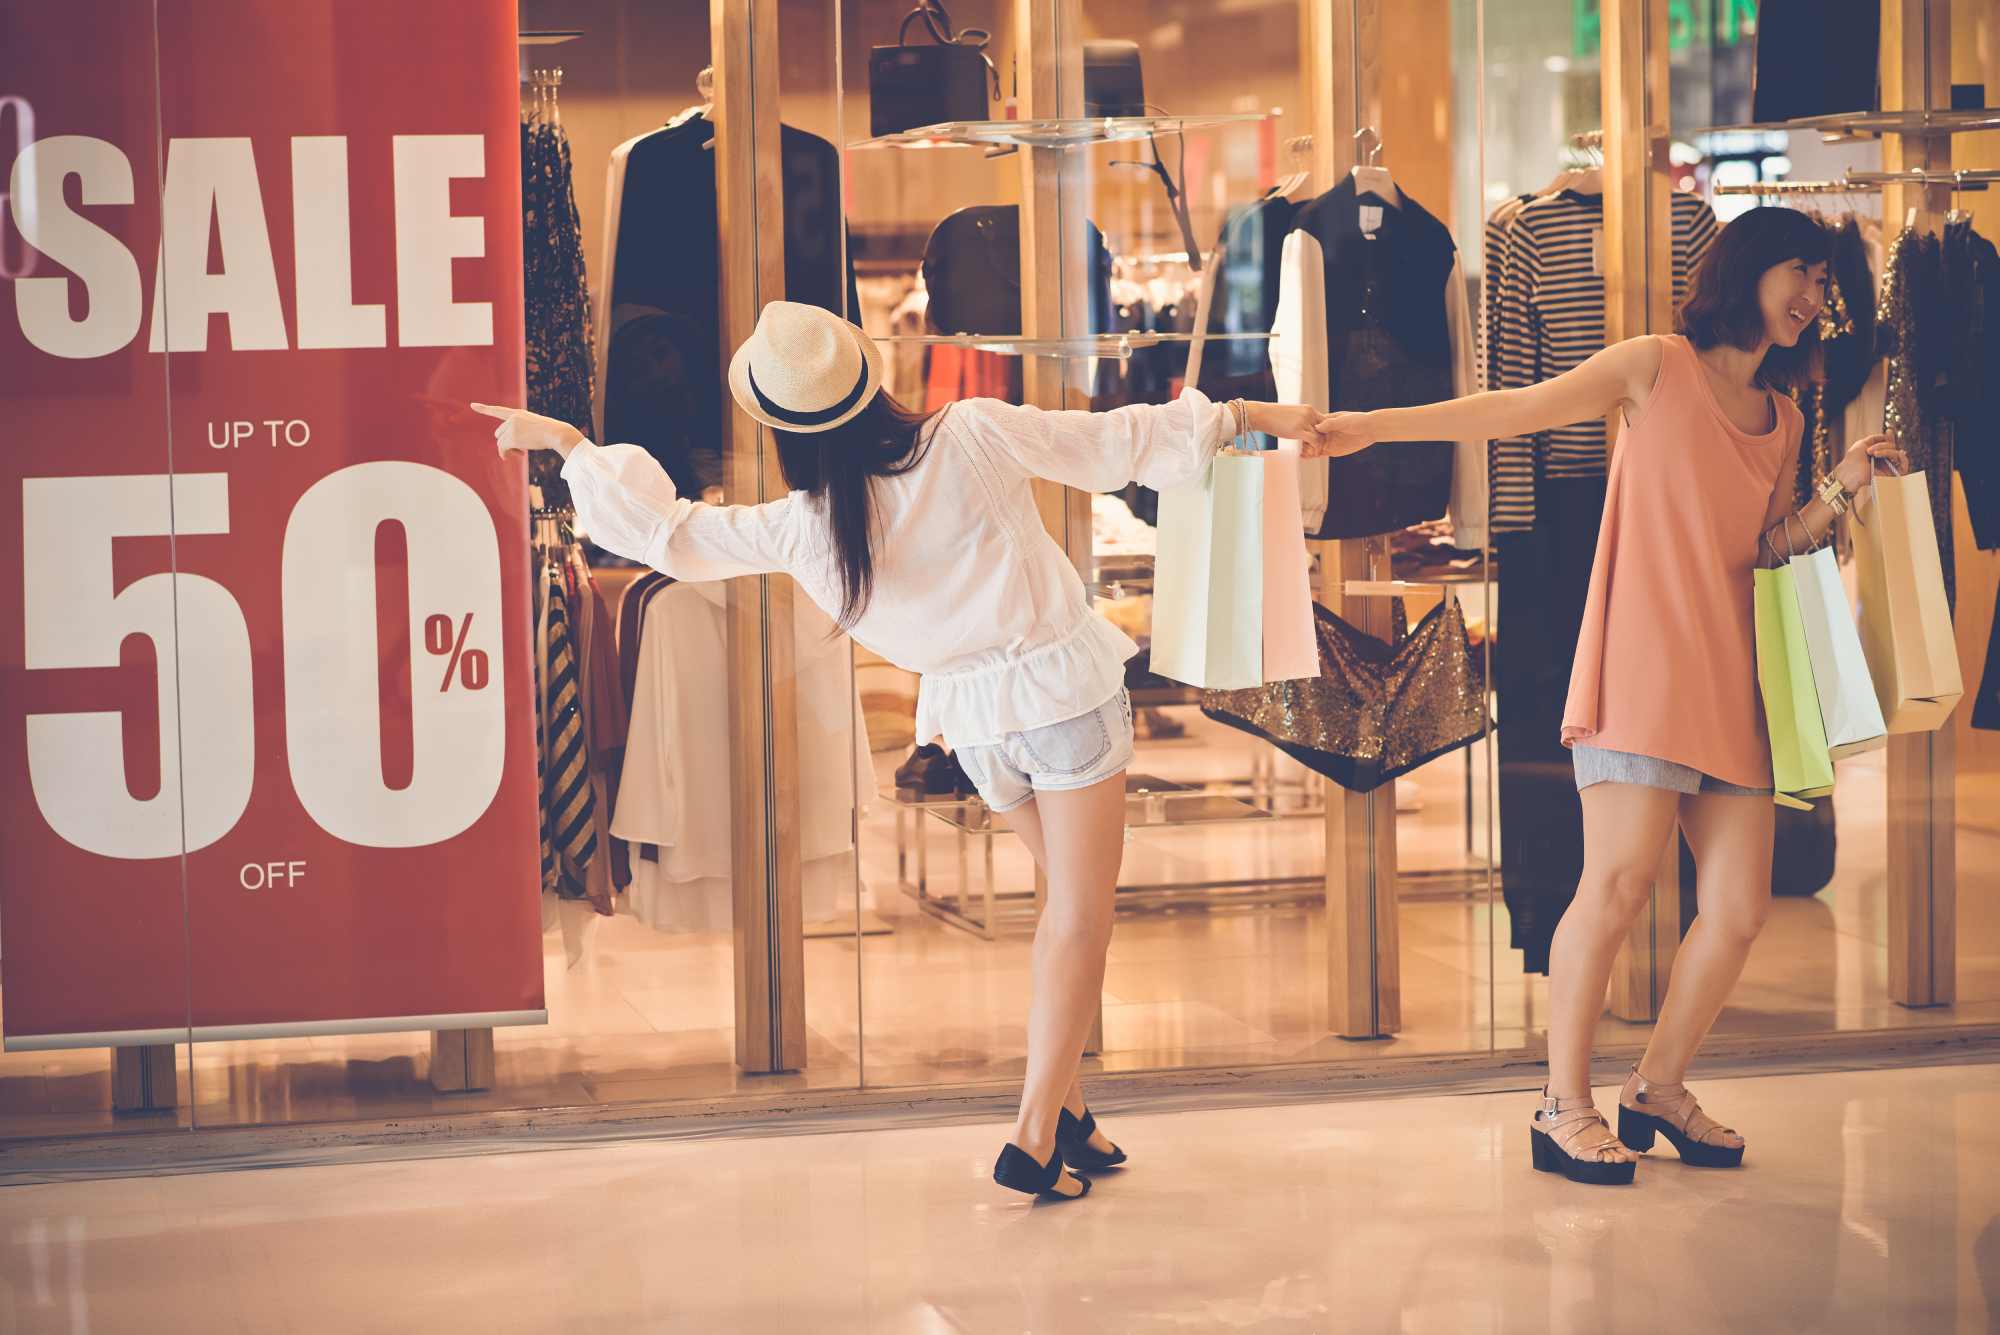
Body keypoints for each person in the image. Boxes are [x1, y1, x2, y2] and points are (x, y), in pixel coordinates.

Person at [475, 301, 1338, 1202]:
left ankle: (1070, 1110)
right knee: (1081, 915)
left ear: (779, 426)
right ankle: (1034, 1134)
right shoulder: (966, 433)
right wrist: (1246, 416)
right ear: (869, 376)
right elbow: (1112, 441)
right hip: (1060, 696)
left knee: (1062, 911)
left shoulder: (804, 523)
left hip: (975, 724)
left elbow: (676, 534)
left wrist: (574, 444)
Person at [1305, 207, 1906, 1185]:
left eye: (1821, 285)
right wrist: (1370, 429)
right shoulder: (1652, 366)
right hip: (1639, 669)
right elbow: (1513, 407)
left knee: (1738, 907)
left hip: (1732, 682)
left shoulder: (1785, 417)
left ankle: (1657, 1087)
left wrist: (1839, 488)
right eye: (1799, 272)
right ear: (1748, 266)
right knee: (1619, 885)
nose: (1809, 299)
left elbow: (1760, 551)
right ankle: (1559, 1105)